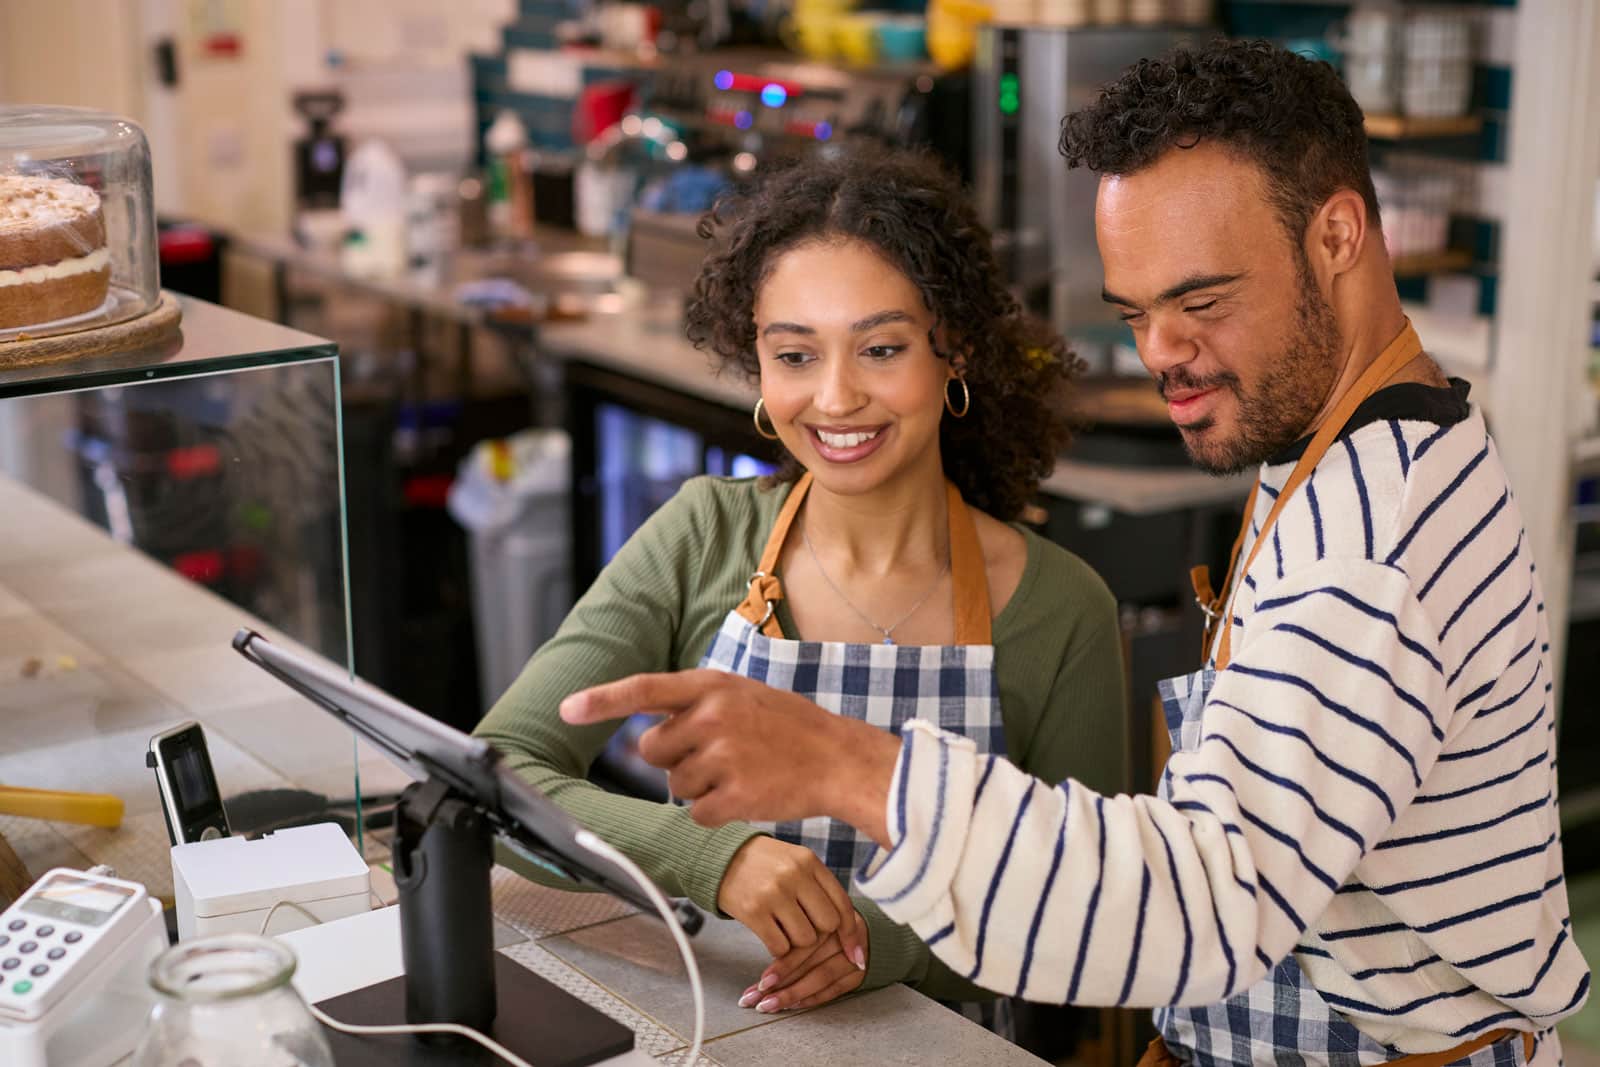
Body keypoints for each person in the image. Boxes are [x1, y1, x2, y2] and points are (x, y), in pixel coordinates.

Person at [561, 39, 1592, 1065]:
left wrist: (847, 766)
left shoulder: (1366, 551)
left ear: (1335, 235)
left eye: (1200, 302)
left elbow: (1203, 909)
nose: (1159, 356)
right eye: (1136, 313)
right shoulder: (1368, 434)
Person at [476, 147, 1126, 1031]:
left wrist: (876, 939)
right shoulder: (702, 535)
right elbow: (498, 775)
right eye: (794, 354)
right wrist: (716, 855)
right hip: (716, 1028)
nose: (835, 397)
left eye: (882, 348)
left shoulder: (1063, 607)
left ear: (955, 351)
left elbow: (1089, 905)